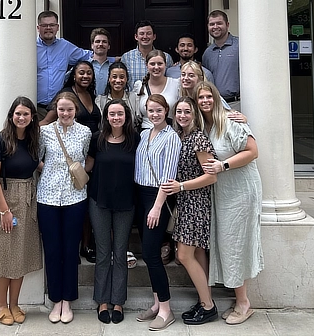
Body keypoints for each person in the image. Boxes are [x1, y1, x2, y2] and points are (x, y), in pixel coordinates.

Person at [196, 81, 263, 326]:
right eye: (200, 98)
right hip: (223, 192)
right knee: (226, 244)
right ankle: (238, 300)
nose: (204, 101)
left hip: (241, 191)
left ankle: (244, 303)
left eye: (208, 97)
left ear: (216, 98)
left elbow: (252, 151)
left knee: (236, 244)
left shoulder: (231, 121)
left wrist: (223, 165)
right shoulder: (207, 126)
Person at [0, 96, 42, 326]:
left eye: (26, 114)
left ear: (32, 117)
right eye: (18, 113)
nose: (22, 117)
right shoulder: (0, 140)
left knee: (20, 256)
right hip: (4, 200)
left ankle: (15, 304)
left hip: (27, 200)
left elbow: (34, 165)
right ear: (11, 116)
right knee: (3, 255)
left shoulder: (33, 140)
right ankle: (1, 306)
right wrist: (5, 211)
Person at [161, 97, 218, 325]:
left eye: (187, 111)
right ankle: (205, 299)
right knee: (197, 254)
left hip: (196, 202)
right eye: (179, 112)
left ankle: (208, 306)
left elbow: (211, 176)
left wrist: (181, 186)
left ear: (194, 114)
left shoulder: (198, 139)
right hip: (185, 202)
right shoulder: (181, 137)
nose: (183, 115)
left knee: (184, 255)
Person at [37, 92, 92, 324]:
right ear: (55, 110)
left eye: (69, 109)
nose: (65, 113)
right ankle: (55, 298)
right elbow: (37, 158)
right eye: (61, 109)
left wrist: (80, 173)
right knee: (52, 249)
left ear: (76, 110)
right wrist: (49, 172)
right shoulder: (45, 132)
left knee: (71, 249)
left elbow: (87, 158)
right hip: (47, 197)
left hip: (75, 197)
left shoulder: (85, 132)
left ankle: (67, 300)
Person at [85, 99, 140, 325]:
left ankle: (118, 301)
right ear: (106, 116)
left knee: (120, 252)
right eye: (112, 114)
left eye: (120, 113)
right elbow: (87, 166)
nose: (116, 117)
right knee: (103, 252)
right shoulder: (97, 139)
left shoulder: (135, 139)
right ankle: (102, 301)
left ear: (126, 116)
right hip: (99, 201)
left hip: (126, 203)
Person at [135, 94, 181, 331]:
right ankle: (156, 303)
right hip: (141, 196)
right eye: (151, 111)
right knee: (147, 253)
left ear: (166, 111)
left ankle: (166, 309)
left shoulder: (171, 138)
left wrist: (156, 206)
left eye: (159, 111)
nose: (154, 114)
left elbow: (168, 177)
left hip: (157, 198)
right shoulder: (144, 134)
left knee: (153, 254)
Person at [36, 10, 91, 119]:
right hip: (37, 108)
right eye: (44, 25)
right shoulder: (30, 47)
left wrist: (115, 59)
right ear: (38, 28)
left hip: (59, 109)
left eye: (52, 25)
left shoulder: (65, 46)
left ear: (57, 27)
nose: (48, 28)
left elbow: (90, 56)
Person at [40, 60, 102, 134]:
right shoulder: (66, 95)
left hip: (95, 142)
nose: (85, 76)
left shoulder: (92, 95)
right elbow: (47, 121)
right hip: (75, 142)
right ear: (74, 76)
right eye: (81, 73)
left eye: (89, 73)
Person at [180, 61, 247, 123]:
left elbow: (228, 113)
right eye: (183, 74)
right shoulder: (182, 97)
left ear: (200, 78)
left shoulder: (210, 96)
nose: (185, 78)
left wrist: (243, 120)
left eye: (191, 75)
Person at [201, 10, 240, 108]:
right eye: (212, 24)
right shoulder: (207, 53)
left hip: (236, 103)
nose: (215, 27)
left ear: (227, 25)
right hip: (214, 105)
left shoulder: (240, 46)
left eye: (219, 23)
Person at [134, 50, 180, 130]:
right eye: (152, 64)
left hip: (169, 132)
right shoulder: (139, 86)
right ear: (146, 65)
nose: (156, 67)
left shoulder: (176, 84)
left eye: (160, 64)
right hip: (145, 134)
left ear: (165, 64)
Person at [121, 20, 173, 89]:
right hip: (134, 98)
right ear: (136, 37)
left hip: (158, 98)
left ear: (154, 36)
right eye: (142, 34)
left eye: (148, 33)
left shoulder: (166, 57)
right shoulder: (126, 58)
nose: (145, 37)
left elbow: (170, 82)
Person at [95, 61, 140, 130]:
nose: (118, 80)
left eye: (122, 77)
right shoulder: (100, 100)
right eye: (114, 77)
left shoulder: (134, 98)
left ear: (126, 79)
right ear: (109, 79)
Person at [89, 27, 116, 96]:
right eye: (97, 41)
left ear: (109, 46)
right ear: (92, 45)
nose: (101, 44)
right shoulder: (83, 66)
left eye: (104, 42)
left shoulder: (114, 68)